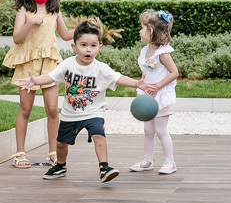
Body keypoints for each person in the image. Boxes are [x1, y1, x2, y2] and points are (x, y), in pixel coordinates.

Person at [21, 20, 153, 182]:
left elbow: (118, 78)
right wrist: (35, 80)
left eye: (93, 45)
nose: (88, 49)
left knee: (99, 135)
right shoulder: (67, 64)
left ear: (99, 47)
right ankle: (60, 166)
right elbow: (51, 76)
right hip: (70, 114)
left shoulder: (101, 68)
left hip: (94, 112)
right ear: (74, 47)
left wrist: (136, 83)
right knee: (61, 144)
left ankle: (104, 167)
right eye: (83, 45)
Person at [3, 0, 75, 169]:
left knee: (52, 109)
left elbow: (65, 34)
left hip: (49, 64)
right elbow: (17, 38)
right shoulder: (24, 10)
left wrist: (80, 29)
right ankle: (19, 153)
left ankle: (53, 152)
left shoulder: (54, 10)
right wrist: (31, 22)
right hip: (29, 65)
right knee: (25, 109)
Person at [128, 10, 181, 175]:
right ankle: (147, 160)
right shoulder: (145, 50)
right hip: (148, 96)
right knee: (148, 130)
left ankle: (170, 162)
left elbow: (174, 73)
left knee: (161, 130)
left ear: (151, 32)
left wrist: (157, 86)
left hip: (160, 96)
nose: (139, 31)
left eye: (142, 28)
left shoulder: (162, 53)